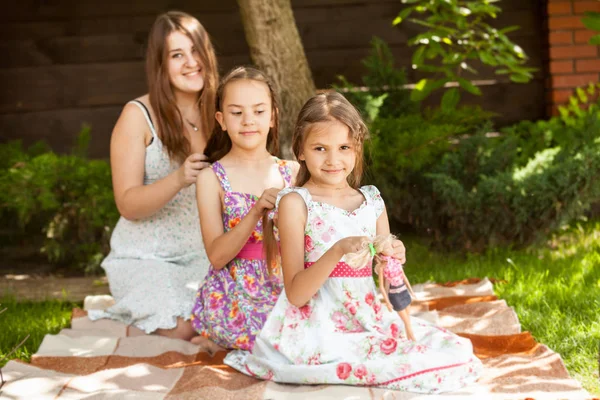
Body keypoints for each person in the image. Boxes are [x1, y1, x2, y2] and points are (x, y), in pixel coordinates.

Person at [224, 92, 482, 393]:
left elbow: (386, 281)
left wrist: (394, 256)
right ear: (301, 151)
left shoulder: (371, 200)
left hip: (367, 315)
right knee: (400, 364)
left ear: (357, 149)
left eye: (344, 147)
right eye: (320, 148)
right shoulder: (296, 203)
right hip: (318, 326)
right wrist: (337, 250)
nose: (334, 160)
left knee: (452, 351)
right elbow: (296, 294)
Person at [87, 11, 218, 340]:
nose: (191, 62)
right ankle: (125, 321)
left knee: (225, 317)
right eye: (177, 55)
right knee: (181, 328)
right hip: (148, 257)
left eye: (196, 50)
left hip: (206, 253)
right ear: (160, 65)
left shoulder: (221, 112)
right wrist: (179, 178)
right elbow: (128, 204)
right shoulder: (137, 116)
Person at [188, 66, 297, 350]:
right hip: (236, 293)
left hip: (288, 282)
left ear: (272, 116)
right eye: (237, 113)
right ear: (222, 120)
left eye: (259, 111)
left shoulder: (294, 173)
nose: (248, 121)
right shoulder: (211, 178)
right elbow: (217, 256)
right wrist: (255, 212)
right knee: (274, 342)